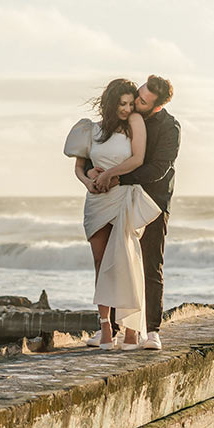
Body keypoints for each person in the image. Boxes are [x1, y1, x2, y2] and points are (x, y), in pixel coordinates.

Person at [66, 78, 162, 349]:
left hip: (122, 196)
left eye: (131, 103)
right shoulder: (90, 130)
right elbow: (79, 168)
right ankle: (105, 327)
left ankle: (131, 328)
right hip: (96, 200)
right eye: (122, 103)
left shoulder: (134, 124)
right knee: (100, 263)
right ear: (110, 102)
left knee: (125, 261)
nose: (128, 108)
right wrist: (89, 181)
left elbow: (137, 159)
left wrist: (108, 173)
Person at [85, 75, 178, 351]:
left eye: (142, 101)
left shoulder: (170, 127)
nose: (136, 103)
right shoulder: (124, 118)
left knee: (150, 264)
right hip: (119, 198)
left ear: (157, 106)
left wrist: (119, 179)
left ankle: (152, 331)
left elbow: (158, 168)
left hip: (152, 201)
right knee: (115, 261)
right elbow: (101, 152)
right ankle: (111, 329)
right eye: (138, 95)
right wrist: (93, 172)